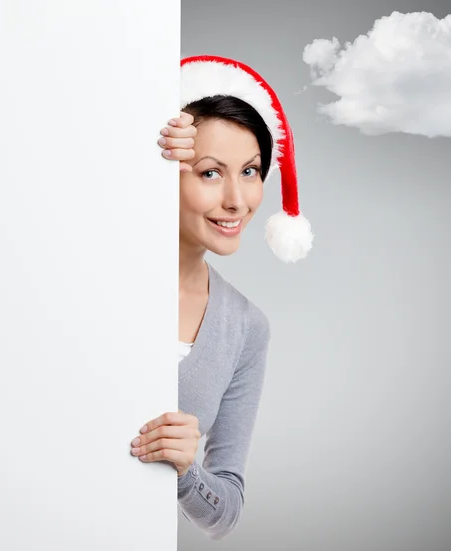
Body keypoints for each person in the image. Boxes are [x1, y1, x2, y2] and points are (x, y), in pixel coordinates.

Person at [129, 55, 313, 540]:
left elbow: (225, 511)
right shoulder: (96, 271)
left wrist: (187, 469)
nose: (237, 199)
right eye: (210, 173)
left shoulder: (247, 327)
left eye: (250, 171)